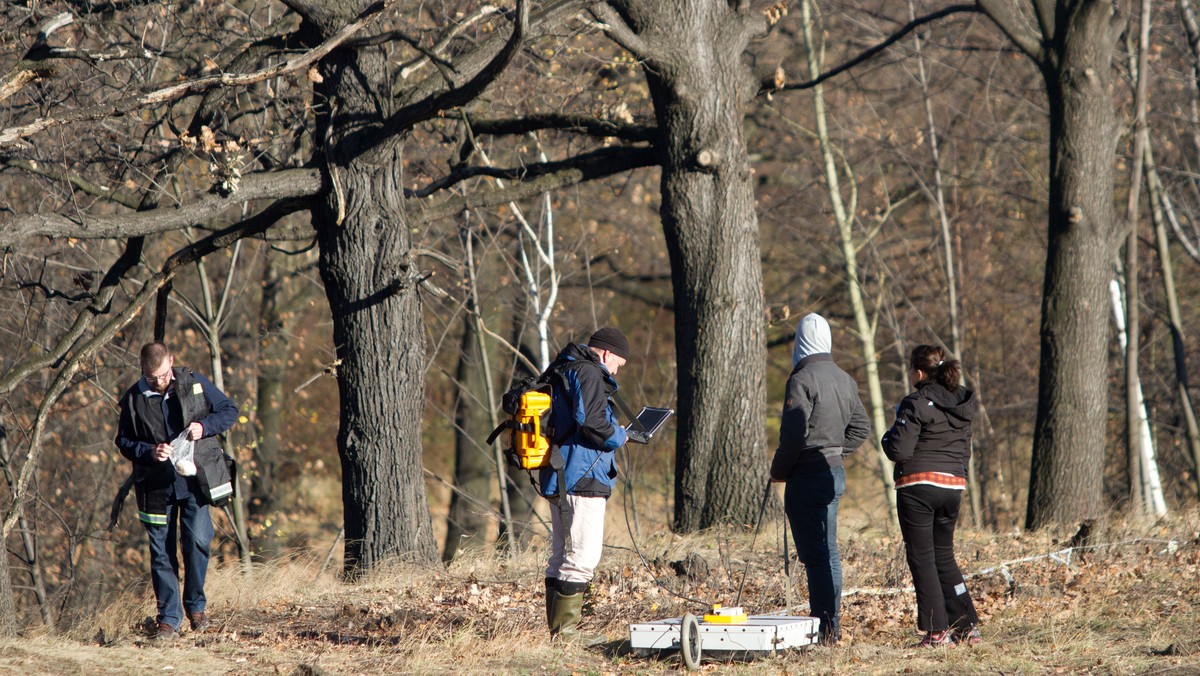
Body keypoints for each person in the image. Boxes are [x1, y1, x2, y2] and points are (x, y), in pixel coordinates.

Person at [115, 342, 239, 641]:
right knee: (161, 555)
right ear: (142, 369)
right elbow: (123, 441)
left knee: (197, 541)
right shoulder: (133, 398)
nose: (157, 381)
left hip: (196, 483)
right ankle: (168, 620)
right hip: (154, 488)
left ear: (171, 361)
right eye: (150, 376)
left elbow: (229, 410)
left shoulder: (194, 383)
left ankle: (196, 608)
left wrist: (204, 427)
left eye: (162, 374)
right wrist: (148, 451)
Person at [769, 313, 871, 645]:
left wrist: (779, 472)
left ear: (799, 343)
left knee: (815, 557)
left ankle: (825, 628)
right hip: (832, 474)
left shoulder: (801, 379)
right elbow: (861, 429)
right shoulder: (845, 379)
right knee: (829, 552)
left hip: (807, 476)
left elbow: (793, 437)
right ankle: (831, 624)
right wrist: (837, 452)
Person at [881, 345, 982, 648]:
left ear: (919, 372)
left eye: (911, 368)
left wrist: (888, 435)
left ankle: (938, 632)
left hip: (918, 487)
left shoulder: (915, 403)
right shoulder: (962, 403)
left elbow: (898, 449)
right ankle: (968, 627)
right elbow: (965, 449)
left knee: (923, 558)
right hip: (953, 486)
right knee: (944, 556)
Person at [539, 327, 630, 646]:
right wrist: (620, 435)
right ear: (606, 354)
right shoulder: (590, 372)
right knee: (582, 556)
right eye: (619, 362)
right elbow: (591, 422)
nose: (618, 368)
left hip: (559, 471)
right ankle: (567, 635)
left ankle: (558, 633)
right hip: (581, 474)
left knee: (563, 554)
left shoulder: (563, 366)